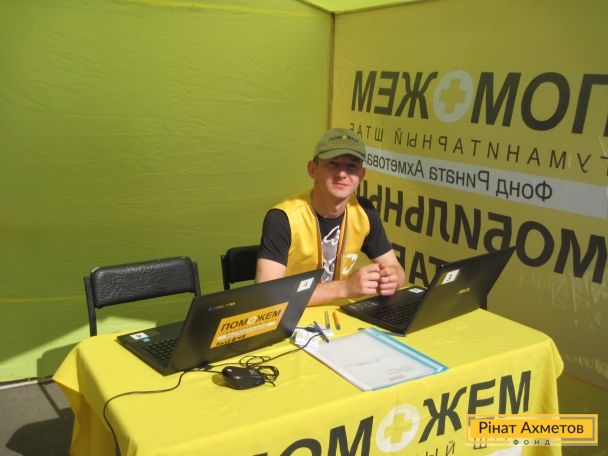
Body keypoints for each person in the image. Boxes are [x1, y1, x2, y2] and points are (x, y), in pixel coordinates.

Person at [255, 127, 406, 306]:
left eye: (351, 166)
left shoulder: (364, 212)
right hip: (291, 315)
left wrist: (392, 279)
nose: (342, 174)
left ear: (361, 175)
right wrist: (344, 288)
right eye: (333, 164)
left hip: (339, 315)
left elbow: (397, 270)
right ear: (313, 169)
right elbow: (266, 296)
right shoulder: (283, 218)